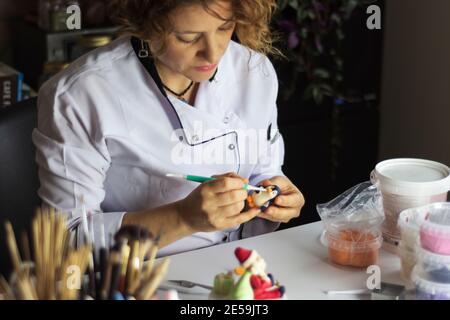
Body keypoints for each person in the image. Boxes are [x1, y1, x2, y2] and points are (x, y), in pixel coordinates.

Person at [32, 0, 305, 256]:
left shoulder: (253, 70)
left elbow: (263, 169)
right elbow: (67, 238)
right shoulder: (81, 95)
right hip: (141, 278)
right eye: (188, 37)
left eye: (225, 27)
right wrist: (182, 218)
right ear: (147, 25)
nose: (213, 52)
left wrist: (274, 192)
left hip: (245, 263)